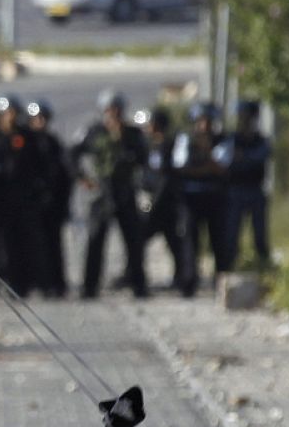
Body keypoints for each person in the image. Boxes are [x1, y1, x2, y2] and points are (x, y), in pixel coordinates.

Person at [72, 89, 148, 299]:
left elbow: (143, 158)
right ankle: (90, 287)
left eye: (117, 109)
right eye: (109, 109)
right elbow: (72, 154)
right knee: (95, 241)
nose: (113, 113)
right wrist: (83, 178)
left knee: (134, 242)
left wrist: (122, 140)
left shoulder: (133, 134)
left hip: (124, 192)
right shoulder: (93, 132)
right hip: (101, 194)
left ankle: (138, 284)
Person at [0, 94, 47, 296]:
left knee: (27, 244)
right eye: (6, 113)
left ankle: (28, 283)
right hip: (1, 202)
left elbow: (38, 167)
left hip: (25, 201)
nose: (10, 117)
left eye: (13, 113)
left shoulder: (26, 137)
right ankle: (9, 282)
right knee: (5, 246)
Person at [138, 108, 192, 296]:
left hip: (167, 205)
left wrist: (156, 202)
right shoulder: (150, 146)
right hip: (154, 202)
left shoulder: (168, 145)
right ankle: (136, 276)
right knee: (138, 241)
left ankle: (183, 281)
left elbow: (166, 178)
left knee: (176, 244)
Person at [173, 102, 229, 283]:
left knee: (219, 240)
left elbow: (221, 167)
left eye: (208, 122)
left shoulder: (223, 139)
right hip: (191, 197)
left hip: (215, 197)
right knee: (190, 240)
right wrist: (205, 167)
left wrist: (205, 156)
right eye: (201, 121)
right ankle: (189, 280)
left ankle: (221, 279)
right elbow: (181, 166)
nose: (204, 126)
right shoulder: (185, 139)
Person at [26, 99, 72, 298]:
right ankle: (38, 282)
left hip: (52, 205)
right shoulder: (25, 143)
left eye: (42, 118)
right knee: (33, 246)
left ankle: (56, 284)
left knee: (54, 245)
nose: (40, 122)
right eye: (36, 118)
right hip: (30, 205)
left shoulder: (54, 143)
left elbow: (64, 175)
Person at [220, 100, 272, 269]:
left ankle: (263, 266)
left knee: (260, 236)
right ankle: (230, 268)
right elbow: (223, 159)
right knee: (231, 236)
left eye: (248, 117)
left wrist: (243, 157)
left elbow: (261, 157)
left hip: (255, 190)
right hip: (235, 191)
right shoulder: (232, 139)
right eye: (242, 117)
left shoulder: (261, 140)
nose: (245, 121)